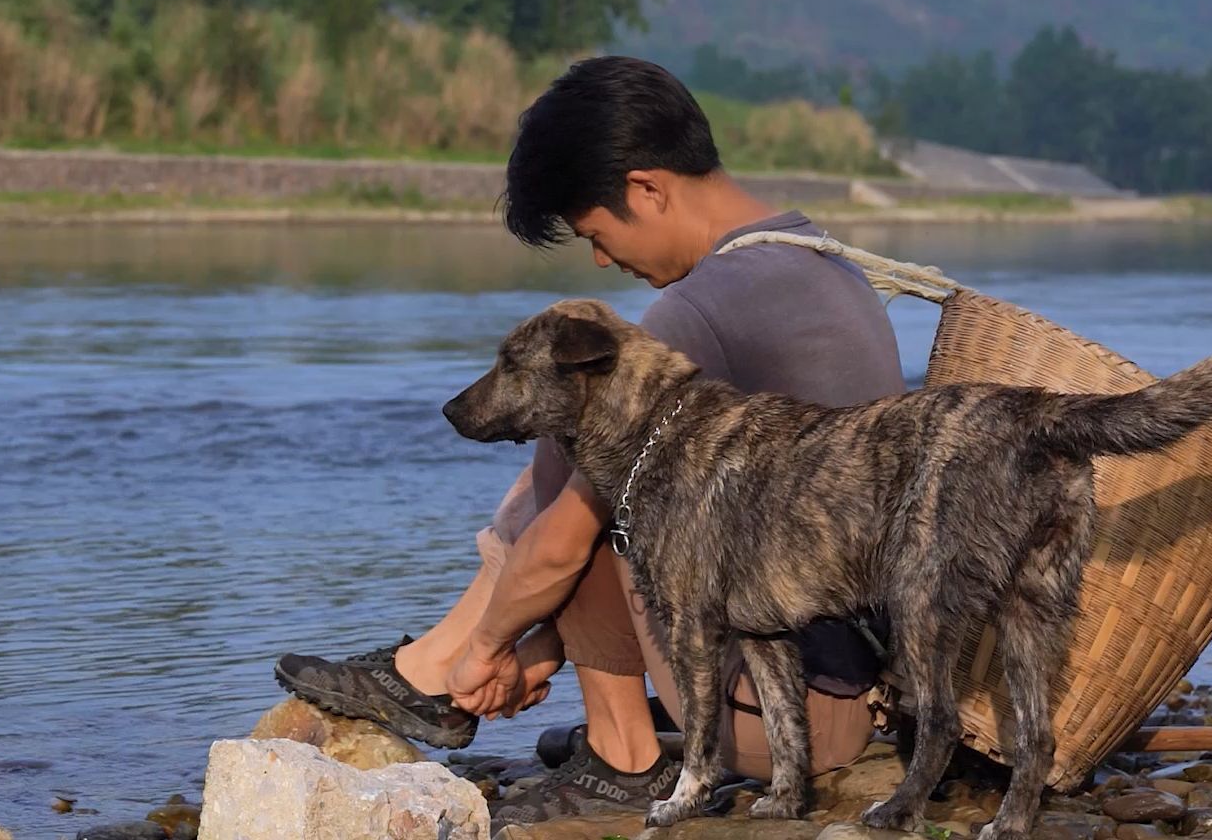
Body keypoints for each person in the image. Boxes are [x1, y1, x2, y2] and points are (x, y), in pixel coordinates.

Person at [276, 56, 906, 828]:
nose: (604, 260)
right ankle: (450, 669)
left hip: (789, 716)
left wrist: (491, 654)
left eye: (596, 235)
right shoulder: (814, 257)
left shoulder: (698, 310)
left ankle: (609, 751)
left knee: (585, 443)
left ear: (646, 188)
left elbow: (562, 549)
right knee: (593, 461)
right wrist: (528, 646)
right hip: (856, 687)